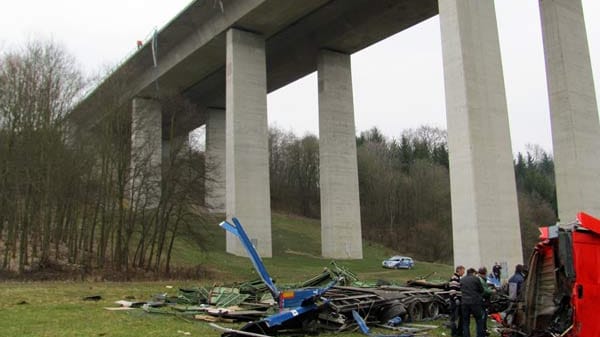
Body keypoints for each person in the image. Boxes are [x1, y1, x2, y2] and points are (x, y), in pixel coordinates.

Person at [460, 268, 486, 337]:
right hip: (475, 302)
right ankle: (480, 335)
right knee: (479, 320)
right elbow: (481, 290)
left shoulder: (462, 279)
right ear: (473, 273)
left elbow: (461, 290)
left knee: (465, 322)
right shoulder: (476, 279)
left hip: (464, 302)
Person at [448, 265, 465, 337]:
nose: (463, 272)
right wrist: (456, 299)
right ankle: (454, 333)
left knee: (461, 317)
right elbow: (452, 291)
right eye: (463, 271)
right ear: (459, 270)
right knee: (454, 318)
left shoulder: (458, 278)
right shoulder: (454, 278)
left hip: (458, 300)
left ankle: (459, 332)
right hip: (455, 301)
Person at [477, 267, 494, 336]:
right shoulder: (481, 280)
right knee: (482, 318)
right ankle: (482, 332)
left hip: (482, 301)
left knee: (484, 317)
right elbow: (484, 291)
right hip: (482, 300)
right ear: (484, 273)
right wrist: (491, 290)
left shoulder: (481, 279)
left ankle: (483, 330)